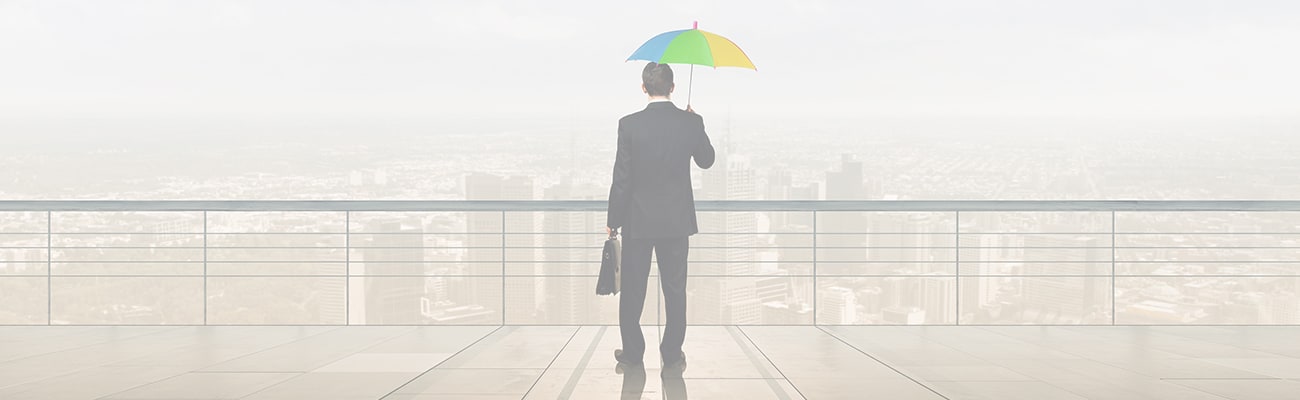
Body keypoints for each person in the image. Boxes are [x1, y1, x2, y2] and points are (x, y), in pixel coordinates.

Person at [605, 62, 715, 378]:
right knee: (675, 290)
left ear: (644, 88)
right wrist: (697, 123)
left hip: (637, 222)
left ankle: (632, 353)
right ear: (673, 87)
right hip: (676, 223)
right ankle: (671, 354)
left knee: (633, 290)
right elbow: (707, 161)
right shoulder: (690, 123)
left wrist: (613, 219)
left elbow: (621, 178)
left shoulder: (629, 125)